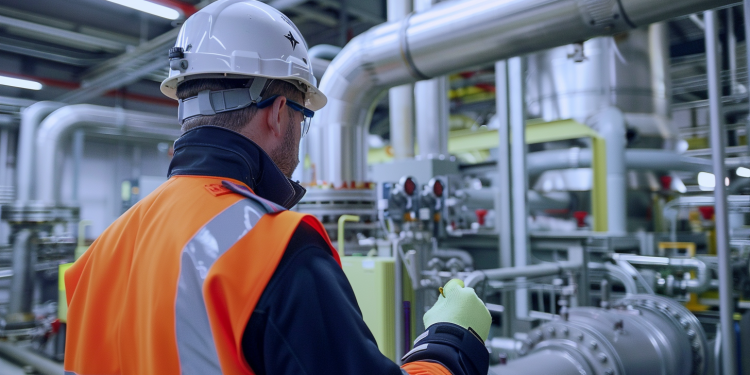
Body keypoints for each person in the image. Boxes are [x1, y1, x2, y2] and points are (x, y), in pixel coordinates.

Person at [63, 1, 491, 374]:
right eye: (304, 118)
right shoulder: (275, 248)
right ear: (280, 113)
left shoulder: (100, 254)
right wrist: (450, 343)